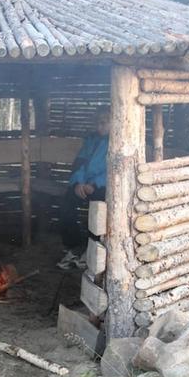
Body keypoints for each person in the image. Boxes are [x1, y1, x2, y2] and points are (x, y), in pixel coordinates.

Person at [58, 106, 110, 270]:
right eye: (97, 123)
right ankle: (73, 248)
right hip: (84, 185)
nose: (99, 127)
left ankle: (91, 250)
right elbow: (79, 163)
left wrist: (94, 185)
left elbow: (113, 171)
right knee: (67, 203)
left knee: (98, 210)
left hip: (104, 187)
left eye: (103, 123)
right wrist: (78, 184)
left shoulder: (118, 142)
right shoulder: (91, 140)